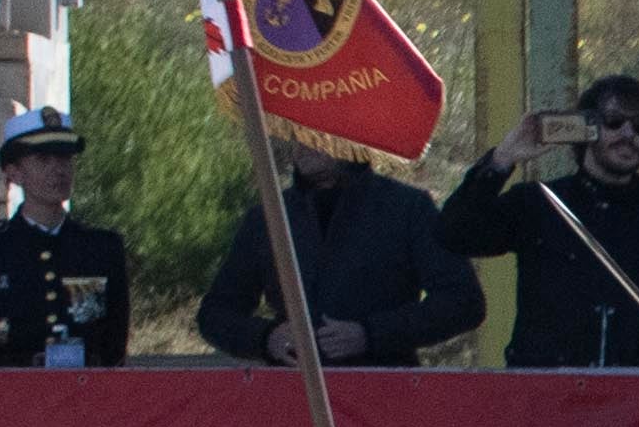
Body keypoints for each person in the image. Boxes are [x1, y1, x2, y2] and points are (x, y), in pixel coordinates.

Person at [443, 80, 639, 369]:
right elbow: (454, 233)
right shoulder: (538, 204)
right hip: (545, 397)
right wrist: (502, 159)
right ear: (586, 128)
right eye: (614, 122)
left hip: (636, 404)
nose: (628, 134)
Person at [195, 152, 469, 372]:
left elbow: (461, 301)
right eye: (293, 129)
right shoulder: (268, 217)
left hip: (385, 400)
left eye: (312, 129)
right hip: (293, 401)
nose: (301, 141)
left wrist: (371, 334)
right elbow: (215, 314)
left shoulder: (407, 208)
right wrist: (266, 338)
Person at [0, 102, 121, 365]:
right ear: (14, 173)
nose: (58, 170)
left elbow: (112, 348)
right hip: (8, 398)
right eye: (43, 160)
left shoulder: (100, 249)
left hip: (82, 396)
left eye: (65, 158)